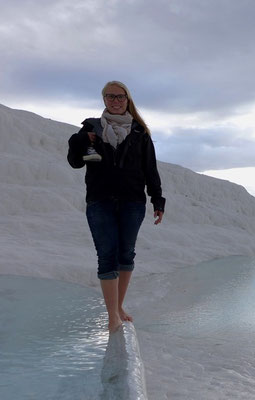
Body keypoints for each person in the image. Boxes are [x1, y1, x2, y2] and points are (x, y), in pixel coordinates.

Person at [67, 81, 165, 332]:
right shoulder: (91, 128)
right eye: (110, 96)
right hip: (100, 200)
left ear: (127, 99)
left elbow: (150, 169)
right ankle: (112, 315)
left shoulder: (139, 132)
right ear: (104, 100)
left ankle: (119, 306)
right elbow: (75, 163)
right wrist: (78, 140)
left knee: (126, 254)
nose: (115, 100)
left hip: (132, 201)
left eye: (120, 96)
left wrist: (157, 199)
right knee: (106, 255)